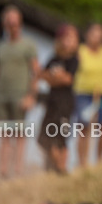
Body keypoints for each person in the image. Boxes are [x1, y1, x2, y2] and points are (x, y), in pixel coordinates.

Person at [0, 5, 40, 179]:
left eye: (15, 23)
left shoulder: (28, 45)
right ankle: (3, 170)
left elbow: (36, 72)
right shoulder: (1, 47)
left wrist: (31, 96)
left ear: (20, 24)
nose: (13, 26)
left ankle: (18, 169)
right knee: (4, 135)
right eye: (9, 23)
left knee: (19, 134)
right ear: (4, 25)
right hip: (1, 96)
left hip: (20, 96)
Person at [37, 24, 80, 173]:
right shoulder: (54, 58)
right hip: (52, 103)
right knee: (43, 137)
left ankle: (61, 168)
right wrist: (57, 77)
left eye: (71, 38)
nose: (68, 41)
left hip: (66, 104)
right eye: (66, 37)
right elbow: (42, 75)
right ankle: (57, 167)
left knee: (62, 136)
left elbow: (68, 79)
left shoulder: (74, 60)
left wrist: (53, 77)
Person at [73, 22, 102, 167]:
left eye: (100, 35)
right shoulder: (80, 51)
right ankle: (82, 162)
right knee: (84, 127)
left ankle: (98, 159)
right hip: (84, 93)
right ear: (88, 35)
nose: (97, 38)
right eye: (94, 34)